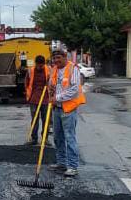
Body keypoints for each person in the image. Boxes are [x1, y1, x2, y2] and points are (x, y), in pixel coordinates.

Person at [48, 49, 85, 178]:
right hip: (56, 109)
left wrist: (57, 97)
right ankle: (61, 163)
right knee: (58, 137)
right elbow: (52, 84)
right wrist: (50, 89)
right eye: (54, 59)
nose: (56, 61)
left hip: (68, 109)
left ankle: (73, 166)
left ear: (65, 57)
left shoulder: (73, 69)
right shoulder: (54, 69)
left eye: (58, 58)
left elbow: (74, 90)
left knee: (69, 138)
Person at [24, 55, 50, 146]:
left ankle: (45, 139)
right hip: (33, 99)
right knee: (34, 120)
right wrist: (28, 95)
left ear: (44, 64)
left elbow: (53, 82)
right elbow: (26, 83)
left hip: (46, 99)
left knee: (46, 120)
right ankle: (34, 138)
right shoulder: (31, 71)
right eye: (38, 65)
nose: (40, 67)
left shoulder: (49, 70)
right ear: (36, 64)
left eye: (41, 66)